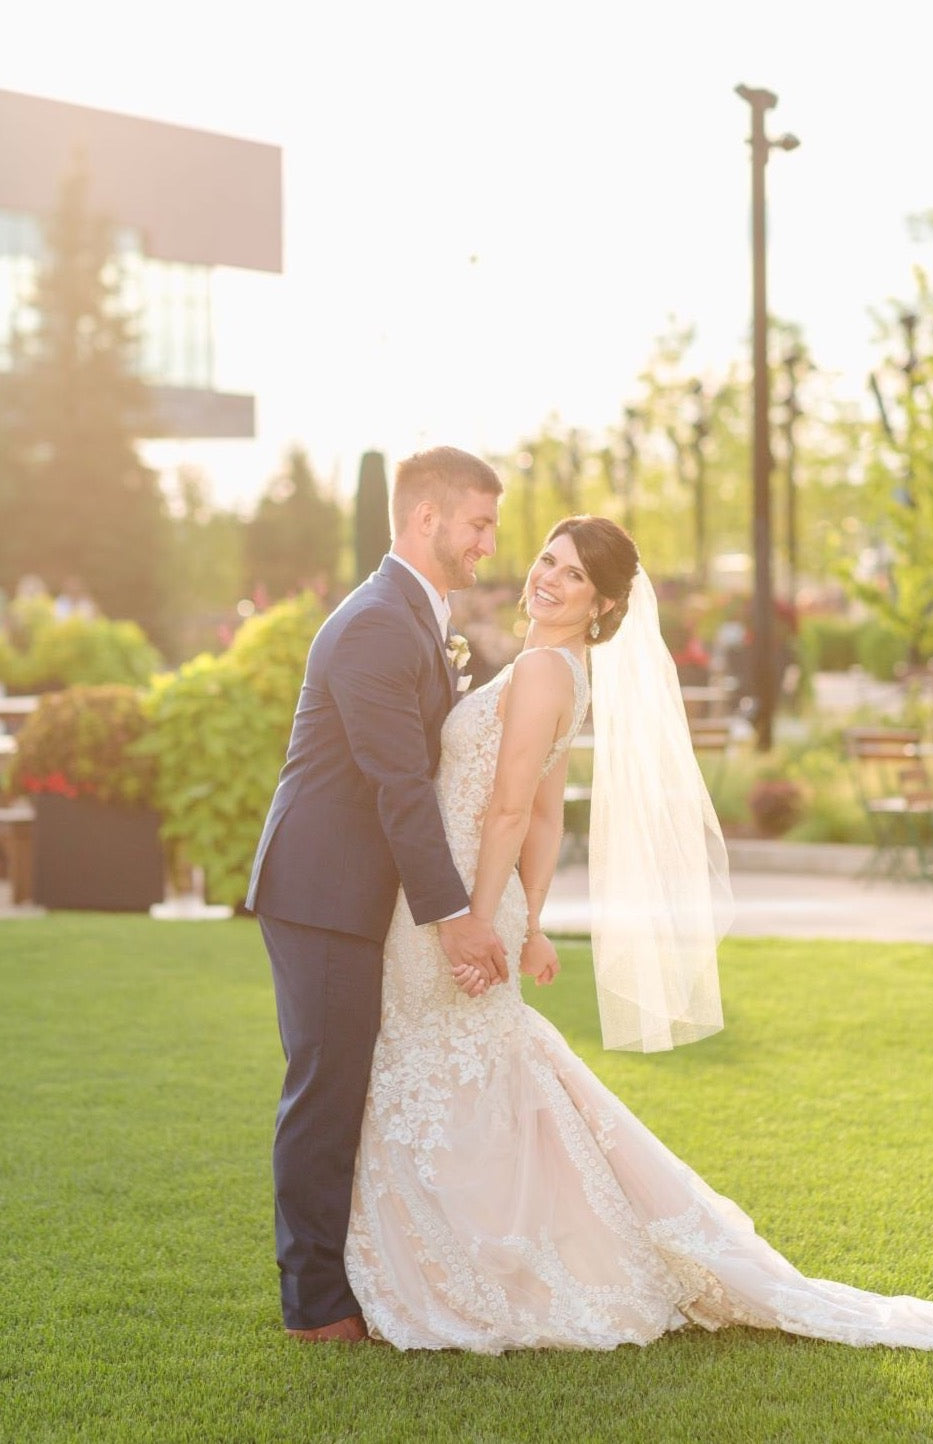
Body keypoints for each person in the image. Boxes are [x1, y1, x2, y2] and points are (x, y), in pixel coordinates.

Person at [343, 516, 933, 1354]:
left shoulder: (538, 672)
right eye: (547, 560)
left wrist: (481, 920)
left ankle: (476, 1266)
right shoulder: (569, 671)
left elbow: (516, 810)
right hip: (475, 902)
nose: (547, 579)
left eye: (572, 577)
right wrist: (531, 924)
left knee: (444, 1068)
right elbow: (553, 816)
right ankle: (486, 1249)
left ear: (600, 603)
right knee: (475, 1075)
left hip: (456, 905)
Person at [248, 445, 507, 1343]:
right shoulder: (373, 625)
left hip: (357, 891)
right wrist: (453, 919)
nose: (488, 544)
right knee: (325, 1087)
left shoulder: (414, 617)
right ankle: (314, 1305)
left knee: (353, 1082)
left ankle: (351, 1275)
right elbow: (399, 784)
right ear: (426, 518)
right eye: (477, 524)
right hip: (320, 890)